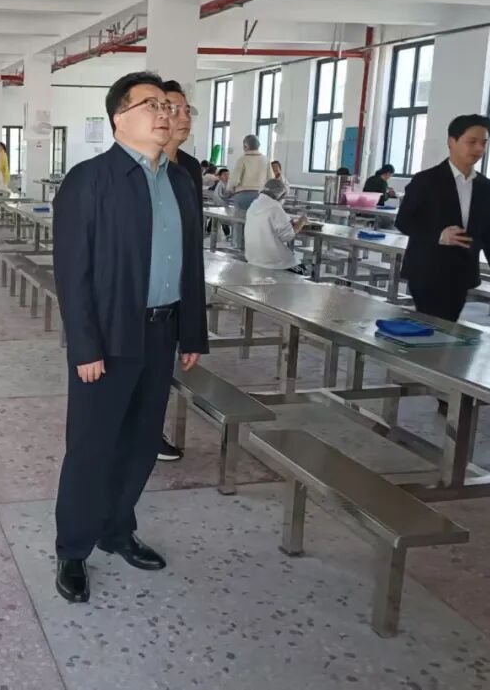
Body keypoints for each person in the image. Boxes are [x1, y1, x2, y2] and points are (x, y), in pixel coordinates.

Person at [52, 71, 208, 604]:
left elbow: (190, 262)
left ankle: (118, 530)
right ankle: (73, 548)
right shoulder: (90, 180)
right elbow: (72, 272)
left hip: (162, 332)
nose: (165, 114)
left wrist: (192, 331)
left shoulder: (180, 181)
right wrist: (85, 346)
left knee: (141, 444)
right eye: (151, 105)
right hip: (109, 337)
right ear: (120, 117)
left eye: (169, 106)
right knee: (92, 447)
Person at [395, 114, 490, 327]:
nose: (478, 149)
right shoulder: (426, 180)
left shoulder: (484, 186)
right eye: (471, 142)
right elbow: (404, 221)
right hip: (427, 268)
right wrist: (439, 235)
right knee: (431, 325)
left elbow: (489, 227)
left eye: (483, 143)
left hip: (462, 270)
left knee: (448, 325)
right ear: (451, 142)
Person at [158, 79, 204, 463]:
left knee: (163, 365)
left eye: (187, 110)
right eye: (174, 109)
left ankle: (151, 431)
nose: (183, 117)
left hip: (176, 283)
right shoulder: (140, 165)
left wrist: (194, 328)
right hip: (144, 287)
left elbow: (192, 238)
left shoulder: (189, 168)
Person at [245, 178, 308, 274]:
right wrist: (301, 222)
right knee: (302, 270)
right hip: (273, 262)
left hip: (253, 258)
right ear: (280, 195)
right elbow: (287, 236)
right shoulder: (275, 207)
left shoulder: (254, 204)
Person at [228, 134, 269, 247]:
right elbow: (271, 178)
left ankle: (240, 245)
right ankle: (255, 246)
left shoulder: (242, 159)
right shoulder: (265, 159)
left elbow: (235, 180)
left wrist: (230, 189)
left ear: (246, 146)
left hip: (243, 196)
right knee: (256, 222)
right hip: (260, 196)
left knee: (240, 222)